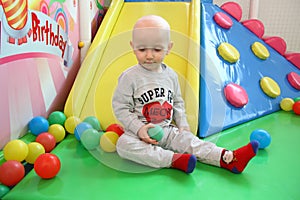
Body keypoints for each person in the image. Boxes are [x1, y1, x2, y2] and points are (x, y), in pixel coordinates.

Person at [112, 15, 258, 174]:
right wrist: (139, 129)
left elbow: (177, 103)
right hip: (138, 134)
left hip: (167, 131)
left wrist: (182, 124)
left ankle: (228, 158)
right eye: (142, 49)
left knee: (192, 141)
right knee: (123, 146)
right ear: (133, 46)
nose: (149, 55)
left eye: (157, 49)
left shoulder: (171, 76)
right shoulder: (129, 77)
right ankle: (174, 160)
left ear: (169, 47)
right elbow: (121, 107)